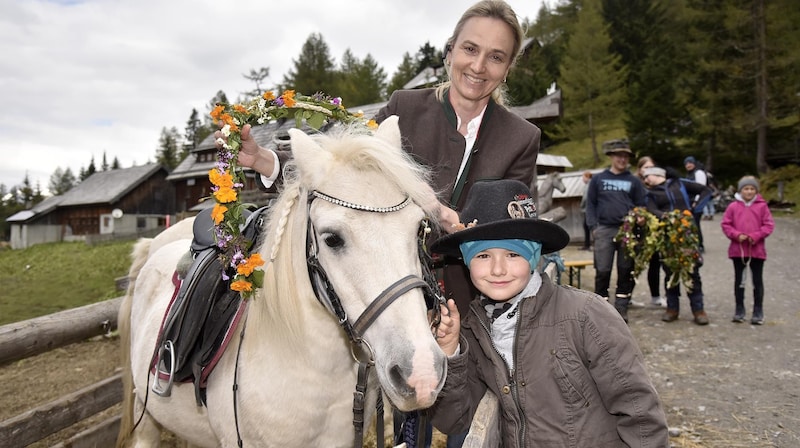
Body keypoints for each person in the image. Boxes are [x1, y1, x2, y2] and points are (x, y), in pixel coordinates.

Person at [218, 2, 540, 445]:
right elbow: (342, 167)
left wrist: (459, 223)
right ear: (450, 52)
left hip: (469, 298)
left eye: (496, 56)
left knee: (474, 423)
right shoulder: (405, 108)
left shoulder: (521, 137)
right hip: (389, 288)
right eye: (470, 48)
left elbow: (513, 222)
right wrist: (266, 160)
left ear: (508, 68)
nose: (479, 66)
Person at [427, 179, 669, 447]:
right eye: (482, 256)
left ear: (533, 258)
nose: (497, 270)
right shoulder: (475, 329)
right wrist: (450, 354)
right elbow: (454, 421)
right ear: (466, 262)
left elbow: (640, 411)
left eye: (512, 254)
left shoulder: (586, 315)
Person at [585, 141, 647, 322]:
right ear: (611, 156)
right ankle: (600, 307)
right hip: (604, 229)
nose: (622, 159)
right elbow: (591, 204)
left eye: (625, 156)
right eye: (619, 155)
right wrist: (593, 227)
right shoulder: (598, 179)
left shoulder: (634, 181)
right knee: (603, 269)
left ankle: (621, 307)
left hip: (627, 230)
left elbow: (641, 204)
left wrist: (641, 218)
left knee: (625, 269)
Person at [642, 167, 713, 325]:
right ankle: (672, 308)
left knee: (692, 271)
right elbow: (651, 210)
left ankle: (698, 310)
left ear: (658, 174)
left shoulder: (680, 184)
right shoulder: (651, 193)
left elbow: (706, 191)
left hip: (686, 235)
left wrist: (695, 210)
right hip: (667, 237)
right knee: (670, 271)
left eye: (648, 176)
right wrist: (666, 217)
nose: (646, 180)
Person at [720, 176, 775, 325]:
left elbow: (769, 225)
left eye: (752, 189)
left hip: (757, 249)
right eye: (746, 189)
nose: (749, 192)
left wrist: (756, 236)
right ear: (740, 190)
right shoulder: (733, 206)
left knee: (757, 281)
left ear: (756, 190)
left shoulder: (762, 206)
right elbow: (726, 224)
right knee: (740, 280)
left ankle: (758, 311)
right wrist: (737, 235)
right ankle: (739, 309)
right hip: (738, 250)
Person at [636, 156, 665, 307]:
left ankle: (655, 296)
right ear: (640, 169)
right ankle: (626, 295)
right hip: (637, 229)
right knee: (633, 264)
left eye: (651, 168)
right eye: (645, 167)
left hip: (654, 231)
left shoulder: (657, 186)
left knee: (655, 263)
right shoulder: (636, 185)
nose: (648, 171)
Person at [683, 156, 707, 251]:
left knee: (695, 223)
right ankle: (693, 243)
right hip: (690, 202)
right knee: (691, 223)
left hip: (697, 202)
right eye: (686, 163)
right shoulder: (689, 174)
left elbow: (701, 188)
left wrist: (696, 201)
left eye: (690, 162)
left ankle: (700, 244)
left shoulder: (699, 173)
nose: (688, 165)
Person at [578, 170, 593, 251]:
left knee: (588, 227)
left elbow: (585, 198)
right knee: (587, 227)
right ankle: (587, 244)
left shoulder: (589, 185)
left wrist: (582, 205)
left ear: (587, 177)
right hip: (589, 209)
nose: (582, 179)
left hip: (588, 209)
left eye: (583, 177)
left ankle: (588, 245)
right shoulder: (591, 184)